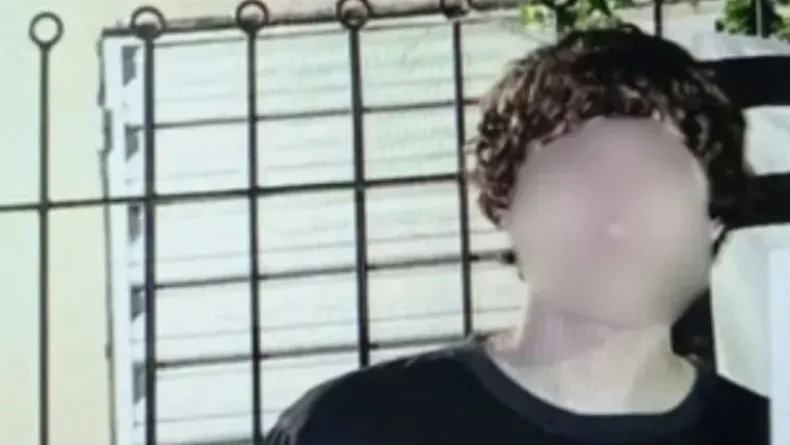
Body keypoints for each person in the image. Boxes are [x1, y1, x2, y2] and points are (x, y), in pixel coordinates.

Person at [263, 25, 768, 445]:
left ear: (713, 217)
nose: (615, 197)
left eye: (654, 166)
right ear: (505, 201)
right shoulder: (350, 428)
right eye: (574, 160)